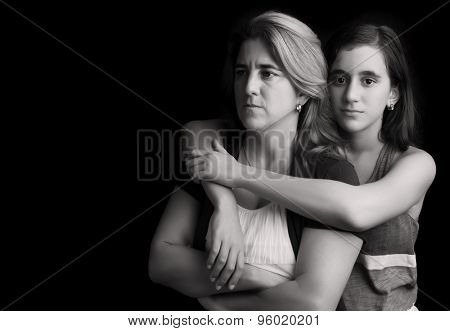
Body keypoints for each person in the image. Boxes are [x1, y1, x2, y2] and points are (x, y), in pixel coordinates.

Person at [186, 23, 435, 310]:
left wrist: (239, 174)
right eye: (340, 79)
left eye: (368, 80)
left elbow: (355, 210)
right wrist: (224, 203)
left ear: (394, 93)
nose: (351, 95)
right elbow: (197, 131)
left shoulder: (415, 163)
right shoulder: (311, 153)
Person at [149, 11, 363, 310]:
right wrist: (259, 276)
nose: (248, 87)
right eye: (241, 72)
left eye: (267, 73)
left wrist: (218, 306)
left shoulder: (330, 173)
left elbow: (312, 304)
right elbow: (162, 261)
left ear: (302, 90)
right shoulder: (215, 149)